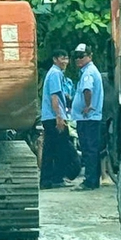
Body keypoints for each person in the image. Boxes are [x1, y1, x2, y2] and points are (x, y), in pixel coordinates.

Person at [38, 47, 77, 189]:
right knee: (62, 148)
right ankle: (58, 178)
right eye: (62, 58)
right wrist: (59, 117)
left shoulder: (54, 73)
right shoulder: (55, 74)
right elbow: (55, 97)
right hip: (54, 117)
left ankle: (48, 179)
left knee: (50, 148)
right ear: (55, 59)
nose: (65, 61)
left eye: (66, 58)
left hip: (49, 116)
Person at [71, 43, 106, 190]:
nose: (78, 59)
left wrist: (87, 105)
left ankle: (90, 181)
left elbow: (87, 90)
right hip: (90, 118)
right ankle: (93, 180)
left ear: (90, 56)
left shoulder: (88, 73)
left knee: (89, 149)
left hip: (88, 118)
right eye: (76, 56)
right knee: (92, 149)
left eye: (81, 56)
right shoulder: (88, 71)